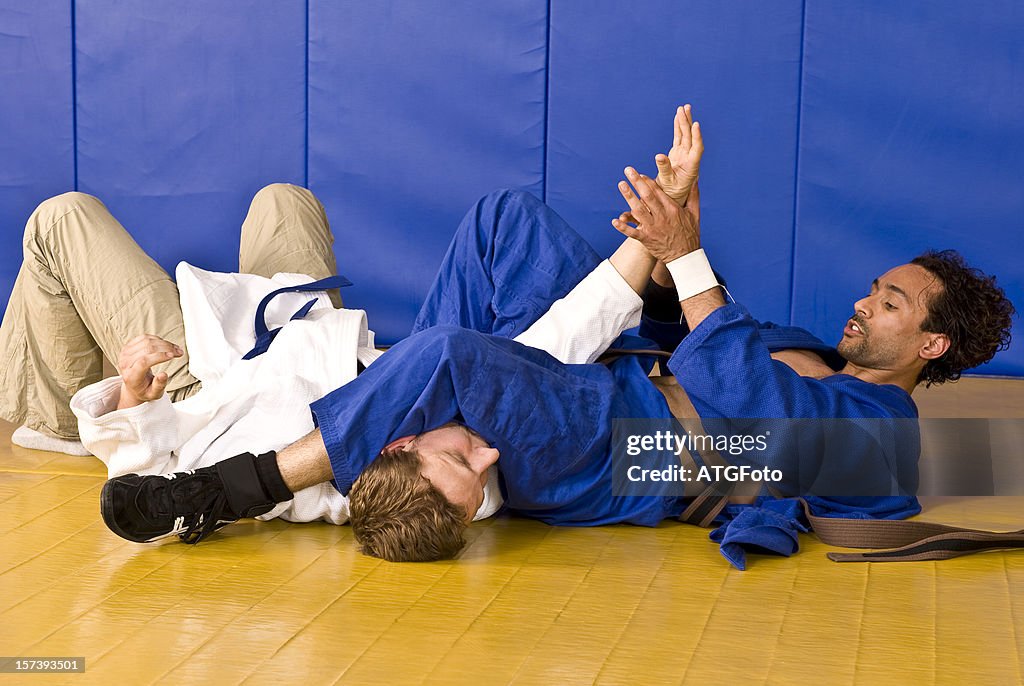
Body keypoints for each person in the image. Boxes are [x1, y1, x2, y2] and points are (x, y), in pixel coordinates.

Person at [96, 108, 1015, 568]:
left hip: (625, 446)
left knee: (454, 360)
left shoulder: (885, 434)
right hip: (616, 376)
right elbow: (706, 326)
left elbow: (760, 417)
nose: (865, 302)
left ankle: (227, 489)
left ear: (931, 347)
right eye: (875, 289)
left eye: (891, 303)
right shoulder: (823, 347)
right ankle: (399, 388)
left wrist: (685, 257)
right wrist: (674, 227)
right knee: (506, 222)